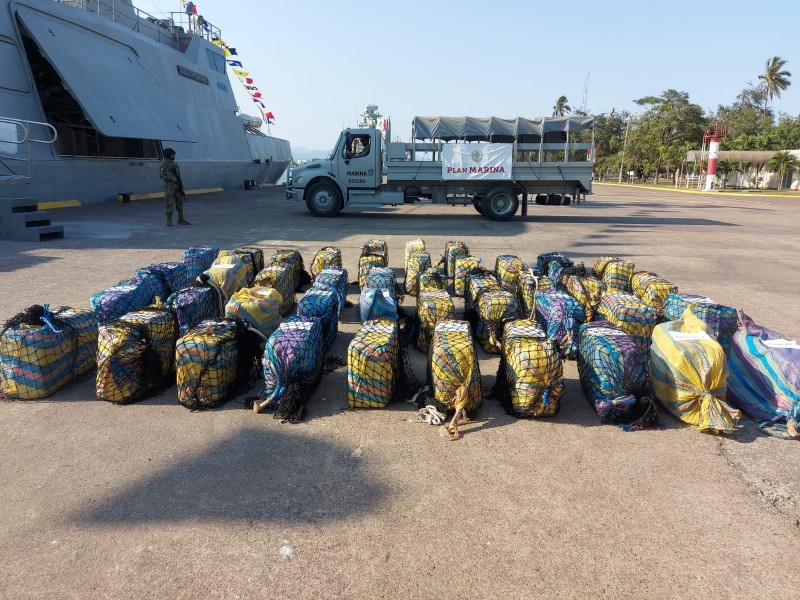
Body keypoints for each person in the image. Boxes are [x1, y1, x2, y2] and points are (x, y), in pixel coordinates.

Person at [159, 148, 190, 226]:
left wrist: (181, 186)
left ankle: (181, 219)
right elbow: (161, 175)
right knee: (169, 203)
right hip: (169, 187)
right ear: (168, 155)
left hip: (177, 186)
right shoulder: (163, 164)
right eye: (172, 155)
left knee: (180, 203)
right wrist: (171, 178)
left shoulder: (174, 164)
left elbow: (178, 176)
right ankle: (169, 220)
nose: (174, 156)